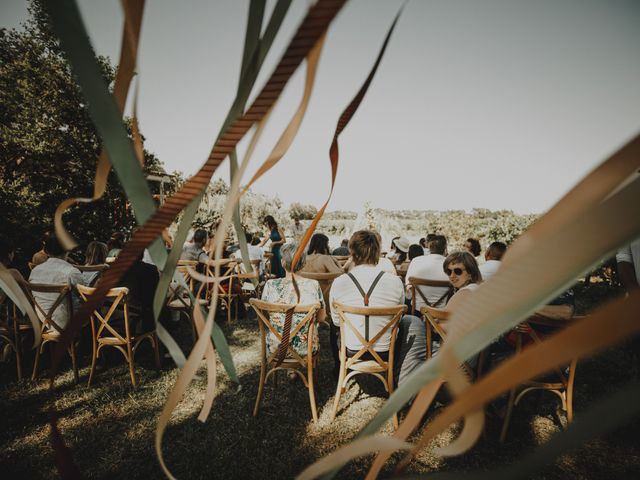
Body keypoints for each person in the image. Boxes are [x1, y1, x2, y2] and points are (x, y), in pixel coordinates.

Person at [329, 230, 427, 385]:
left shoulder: (340, 282)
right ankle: (403, 377)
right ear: (378, 252)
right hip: (386, 350)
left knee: (333, 328)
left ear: (352, 252)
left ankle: (338, 370)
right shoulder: (395, 282)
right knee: (411, 321)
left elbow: (335, 322)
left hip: (351, 349)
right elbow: (398, 318)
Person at [260, 242, 326, 357]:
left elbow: (264, 315)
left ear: (282, 263)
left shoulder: (270, 285)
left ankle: (289, 370)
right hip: (306, 348)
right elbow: (321, 317)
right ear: (303, 263)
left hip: (275, 348)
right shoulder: (313, 285)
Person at [28, 235, 80, 330]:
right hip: (69, 322)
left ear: (46, 251)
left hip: (45, 321)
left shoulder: (35, 271)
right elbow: (85, 296)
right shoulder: (71, 272)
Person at [404, 234, 451, 311]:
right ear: (445, 248)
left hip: (417, 310)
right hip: (441, 312)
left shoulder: (416, 261)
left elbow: (408, 291)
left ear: (429, 247)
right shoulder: (450, 264)